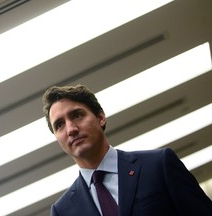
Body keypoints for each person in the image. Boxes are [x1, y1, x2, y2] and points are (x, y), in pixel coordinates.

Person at [42, 84, 212, 216]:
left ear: (100, 117)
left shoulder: (159, 165)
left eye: (77, 115)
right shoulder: (62, 211)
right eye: (59, 125)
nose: (71, 129)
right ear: (58, 139)